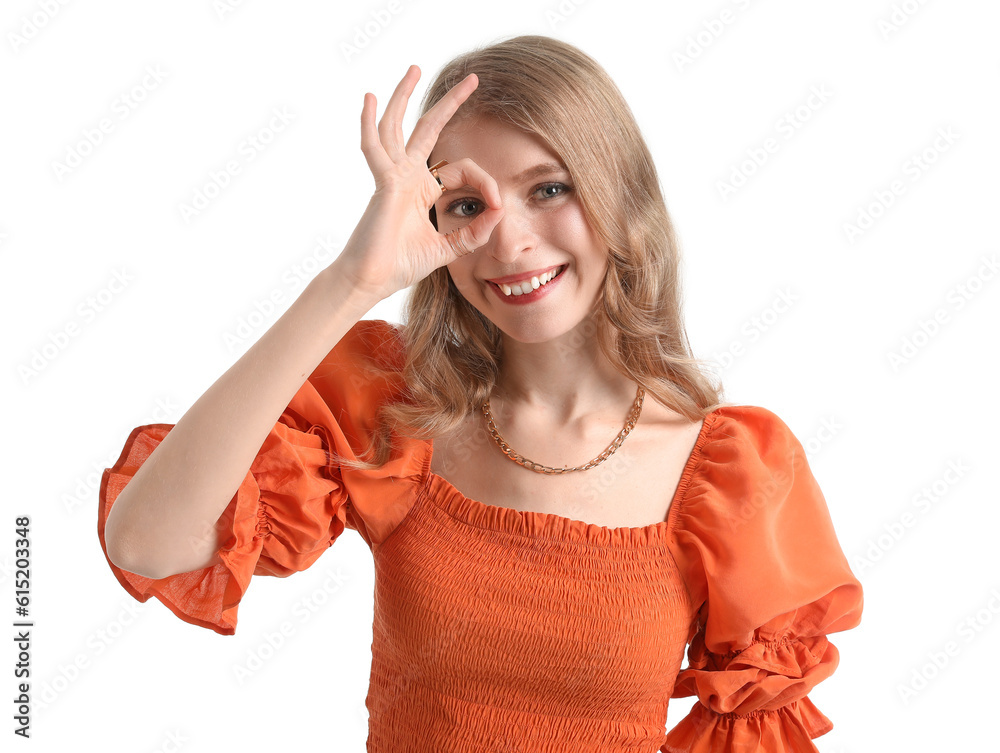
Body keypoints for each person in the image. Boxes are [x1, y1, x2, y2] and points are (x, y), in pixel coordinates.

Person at [98, 34, 863, 752]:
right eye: (469, 204)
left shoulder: (735, 471)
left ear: (620, 196)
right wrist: (349, 283)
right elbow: (146, 542)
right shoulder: (396, 411)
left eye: (550, 188)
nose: (509, 240)